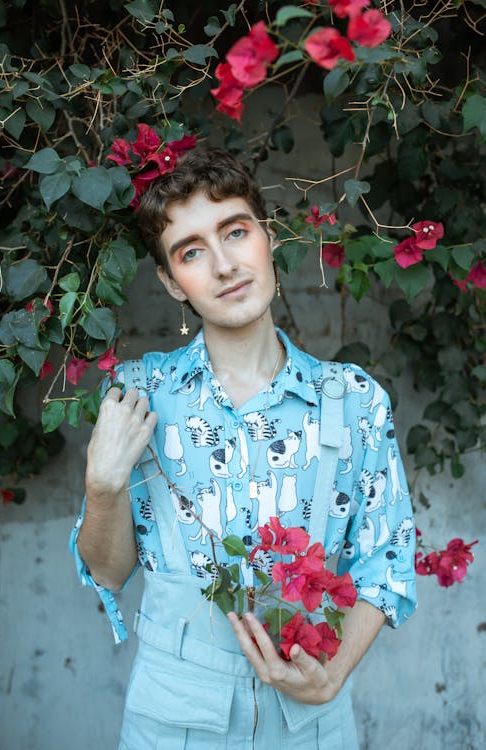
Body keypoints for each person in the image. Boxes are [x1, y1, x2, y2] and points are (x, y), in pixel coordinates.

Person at [70, 147, 417, 749]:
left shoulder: (355, 400)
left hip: (310, 722)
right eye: (192, 251)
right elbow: (109, 569)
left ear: (268, 237)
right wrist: (102, 488)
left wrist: (332, 677)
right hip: (173, 721)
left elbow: (386, 565)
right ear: (171, 282)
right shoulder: (140, 396)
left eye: (235, 232)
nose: (225, 265)